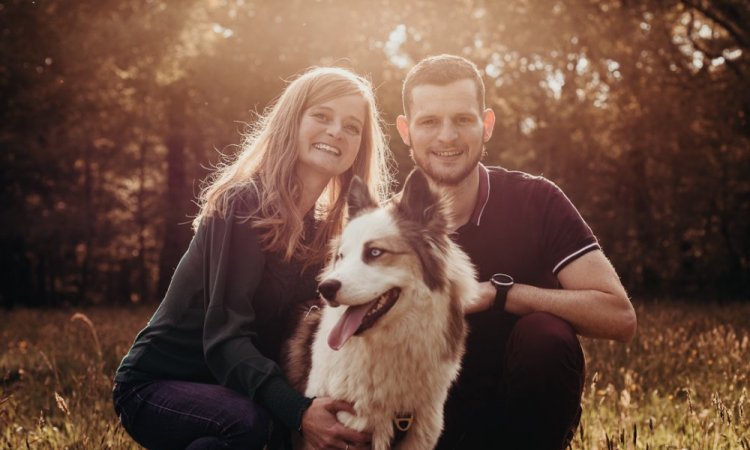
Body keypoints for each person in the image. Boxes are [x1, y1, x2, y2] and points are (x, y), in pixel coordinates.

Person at [113, 66, 394, 450]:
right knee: (252, 424)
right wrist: (297, 411)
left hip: (235, 389)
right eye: (322, 116)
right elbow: (225, 340)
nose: (335, 132)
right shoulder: (243, 204)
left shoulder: (331, 234)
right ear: (292, 122)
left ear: (361, 145)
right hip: (157, 387)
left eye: (352, 126)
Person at [395, 54, 637, 449]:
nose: (447, 137)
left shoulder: (536, 200)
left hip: (521, 420)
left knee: (545, 334)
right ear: (406, 130)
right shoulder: (383, 230)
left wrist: (502, 294)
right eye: (429, 122)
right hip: (424, 421)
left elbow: (618, 316)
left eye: (462, 119)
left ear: (486, 124)